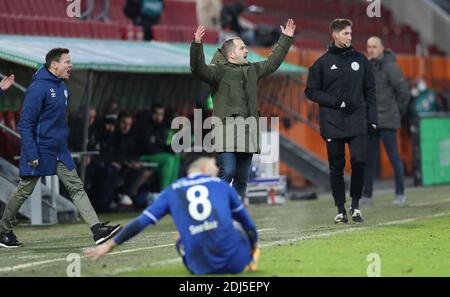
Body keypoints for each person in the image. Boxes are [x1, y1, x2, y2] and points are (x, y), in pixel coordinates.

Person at [0, 48, 121, 248]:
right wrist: (30, 152)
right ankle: (4, 231)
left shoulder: (62, 87)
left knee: (76, 186)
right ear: (54, 64)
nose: (71, 65)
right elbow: (25, 124)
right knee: (24, 190)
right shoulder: (38, 89)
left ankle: (97, 229)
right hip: (39, 149)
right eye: (67, 61)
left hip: (59, 149)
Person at [85, 153, 260, 275]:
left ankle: (183, 245)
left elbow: (140, 223)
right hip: (236, 264)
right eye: (215, 163)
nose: (217, 167)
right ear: (204, 166)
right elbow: (249, 225)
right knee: (236, 225)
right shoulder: (221, 186)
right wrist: (252, 248)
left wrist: (110, 245)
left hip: (199, 269)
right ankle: (249, 257)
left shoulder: (170, 192)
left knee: (180, 238)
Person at [190, 20, 296, 204]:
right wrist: (197, 46)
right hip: (226, 131)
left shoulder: (252, 69)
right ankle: (217, 208)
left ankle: (237, 216)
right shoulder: (217, 71)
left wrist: (285, 38)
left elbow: (273, 62)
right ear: (231, 54)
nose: (246, 50)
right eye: (242, 48)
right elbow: (198, 69)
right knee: (228, 171)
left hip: (249, 131)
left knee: (242, 179)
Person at [304, 19, 377, 224]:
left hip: (358, 120)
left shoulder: (361, 60)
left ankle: (355, 205)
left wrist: (373, 120)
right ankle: (340, 209)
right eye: (346, 33)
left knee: (359, 161)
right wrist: (337, 102)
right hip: (332, 123)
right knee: (336, 166)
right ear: (335, 35)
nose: (350, 37)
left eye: (350, 33)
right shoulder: (321, 63)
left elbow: (370, 91)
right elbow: (310, 91)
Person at [361, 36, 410, 207]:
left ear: (382, 48)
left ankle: (400, 194)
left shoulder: (391, 66)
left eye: (374, 46)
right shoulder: (366, 66)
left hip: (388, 120)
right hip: (372, 121)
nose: (371, 49)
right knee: (368, 159)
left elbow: (404, 93)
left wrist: (397, 114)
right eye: (369, 46)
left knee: (393, 158)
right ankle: (367, 196)